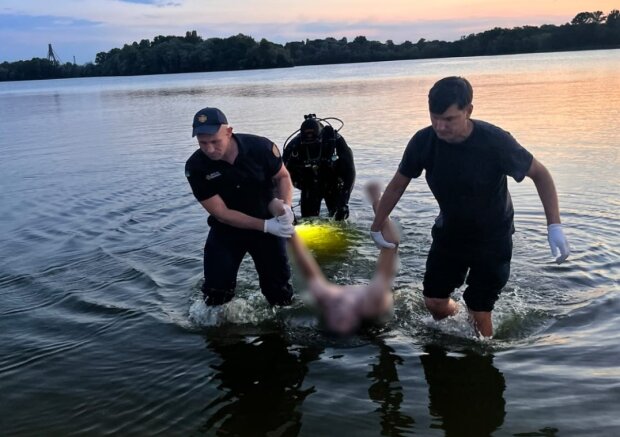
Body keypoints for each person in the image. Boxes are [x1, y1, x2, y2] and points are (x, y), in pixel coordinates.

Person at [370, 76, 571, 338]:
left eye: (449, 119)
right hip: (450, 232)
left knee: (479, 311)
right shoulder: (423, 142)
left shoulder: (495, 141)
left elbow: (540, 174)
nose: (440, 127)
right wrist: (377, 226)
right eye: (435, 117)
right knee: (433, 301)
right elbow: (397, 185)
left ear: (468, 111)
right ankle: (460, 324)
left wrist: (554, 225)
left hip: (493, 237)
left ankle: (481, 355)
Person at [184, 107, 296, 307]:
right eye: (203, 143)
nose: (209, 149)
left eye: (215, 142)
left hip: (268, 223)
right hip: (227, 231)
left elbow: (283, 177)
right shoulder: (196, 167)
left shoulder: (261, 148)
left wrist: (286, 208)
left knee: (279, 292)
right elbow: (222, 213)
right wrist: (265, 225)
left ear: (229, 132)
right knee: (216, 293)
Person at [285, 181, 399, 335]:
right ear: (356, 319)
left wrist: (287, 226)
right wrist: (377, 200)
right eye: (343, 320)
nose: (338, 315)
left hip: (348, 291)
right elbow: (392, 244)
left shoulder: (326, 298)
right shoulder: (374, 303)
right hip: (367, 295)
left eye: (335, 320)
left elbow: (303, 260)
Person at [282, 114, 356, 220]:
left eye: (313, 138)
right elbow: (281, 176)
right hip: (309, 185)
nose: (310, 139)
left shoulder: (334, 140)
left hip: (333, 183)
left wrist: (344, 202)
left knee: (340, 218)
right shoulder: (294, 145)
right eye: (306, 137)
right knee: (308, 221)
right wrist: (287, 207)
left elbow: (350, 172)